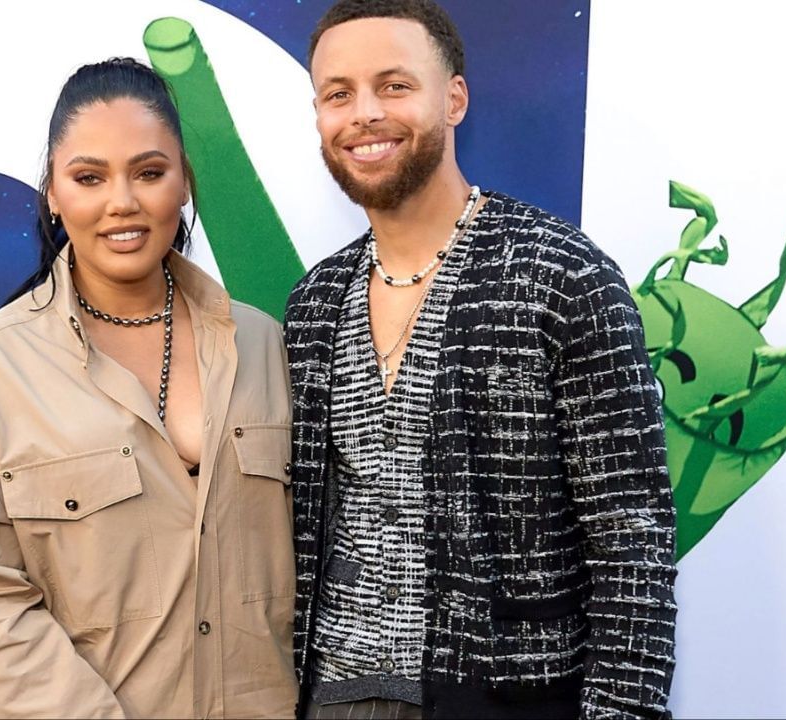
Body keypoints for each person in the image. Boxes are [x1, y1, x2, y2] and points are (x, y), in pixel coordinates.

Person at [284, 2, 678, 718]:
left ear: (454, 99)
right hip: (333, 695)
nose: (363, 113)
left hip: (506, 695)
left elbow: (632, 544)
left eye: (394, 85)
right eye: (338, 94)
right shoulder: (314, 300)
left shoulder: (562, 275)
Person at [0, 58, 297, 719]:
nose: (121, 201)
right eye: (89, 177)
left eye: (149, 173)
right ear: (52, 192)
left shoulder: (263, 345)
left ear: (184, 182)